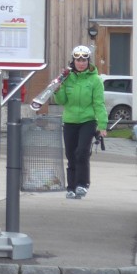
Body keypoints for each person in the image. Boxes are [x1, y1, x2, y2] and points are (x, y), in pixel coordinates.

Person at [53, 44, 107, 199]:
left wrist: (102, 125)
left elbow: (99, 103)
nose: (81, 63)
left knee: (82, 152)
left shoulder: (95, 80)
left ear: (88, 61)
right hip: (70, 121)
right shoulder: (67, 77)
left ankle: (82, 184)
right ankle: (71, 187)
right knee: (71, 155)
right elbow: (62, 101)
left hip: (87, 121)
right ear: (73, 61)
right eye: (78, 59)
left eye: (84, 59)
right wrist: (58, 89)